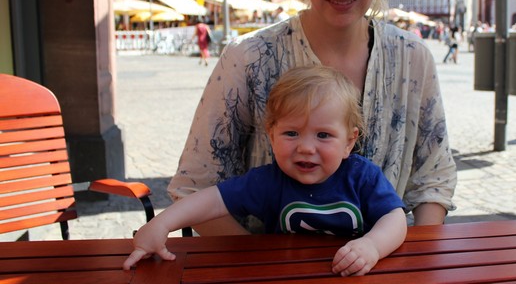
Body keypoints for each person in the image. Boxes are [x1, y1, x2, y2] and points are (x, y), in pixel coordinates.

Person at [168, 0, 456, 237]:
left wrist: (415, 258)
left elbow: (433, 177)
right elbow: (196, 185)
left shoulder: (414, 58)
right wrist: (267, 268)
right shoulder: (247, 57)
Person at [124, 66, 407, 276]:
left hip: (354, 274)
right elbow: (211, 200)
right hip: (283, 274)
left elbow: (395, 219)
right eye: (292, 133)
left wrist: (372, 246)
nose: (306, 148)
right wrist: (161, 224)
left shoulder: (362, 176)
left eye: (323, 135)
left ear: (349, 142)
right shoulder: (268, 181)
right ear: (271, 135)